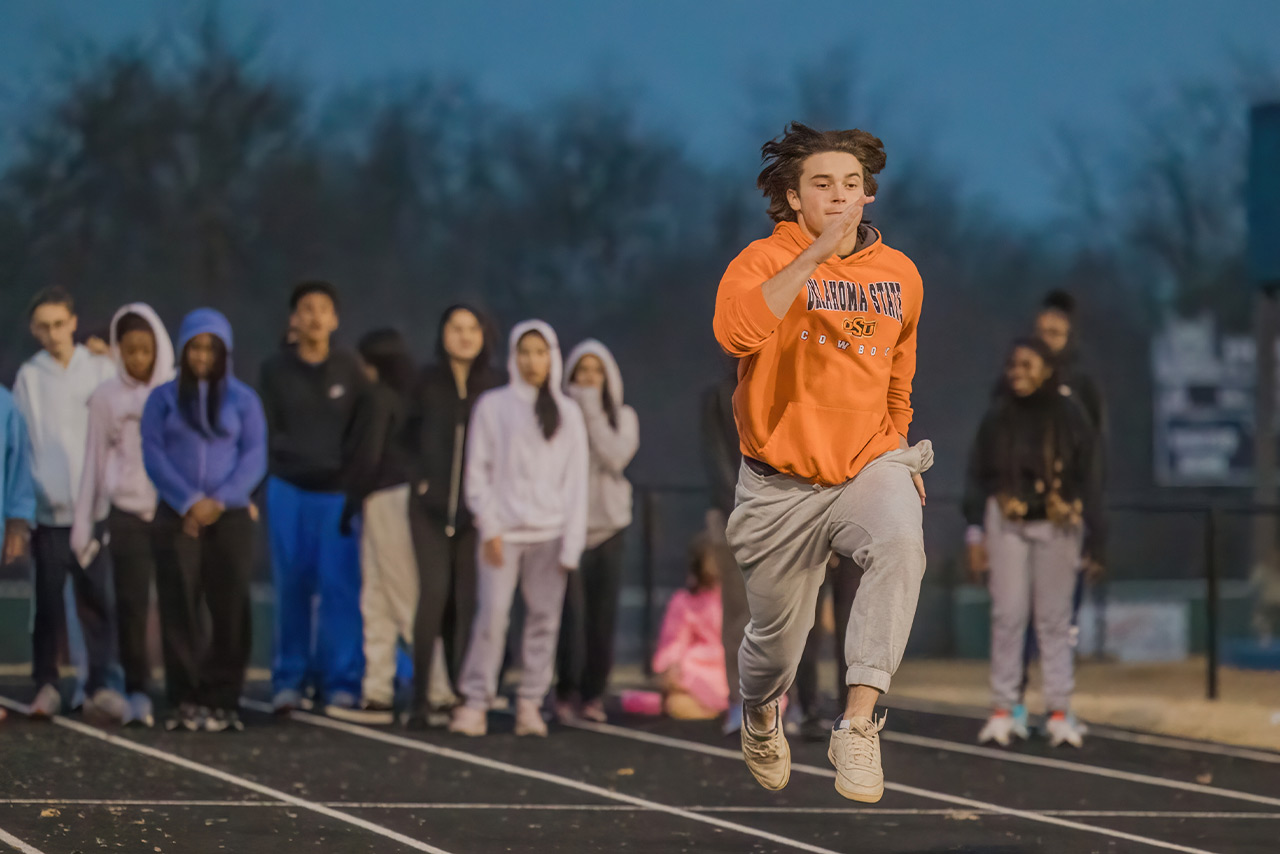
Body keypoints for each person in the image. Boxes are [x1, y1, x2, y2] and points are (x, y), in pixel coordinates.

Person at [712, 123, 932, 803]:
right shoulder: (761, 259)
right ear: (792, 198)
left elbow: (899, 381)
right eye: (821, 185)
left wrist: (896, 447)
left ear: (868, 194)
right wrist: (813, 259)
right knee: (775, 647)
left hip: (866, 464)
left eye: (850, 184)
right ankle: (758, 712)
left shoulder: (901, 275)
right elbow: (736, 332)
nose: (839, 197)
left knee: (902, 544)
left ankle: (859, 724)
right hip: (780, 483)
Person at [449, 320, 589, 738]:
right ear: (513, 356)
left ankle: (530, 701)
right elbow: (478, 471)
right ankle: (476, 700)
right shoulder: (493, 406)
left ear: (552, 357)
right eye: (525, 352)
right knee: (492, 618)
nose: (533, 361)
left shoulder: (568, 413)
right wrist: (489, 525)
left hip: (550, 534)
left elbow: (577, 482)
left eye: (540, 352)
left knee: (544, 622)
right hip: (503, 535)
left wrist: (571, 545)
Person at [964, 337, 1103, 749]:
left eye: (1027, 365)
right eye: (1013, 366)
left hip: (1058, 523)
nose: (1018, 373)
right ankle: (1005, 708)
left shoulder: (1069, 414)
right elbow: (977, 474)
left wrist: (1097, 534)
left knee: (1055, 620)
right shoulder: (998, 415)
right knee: (1008, 615)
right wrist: (974, 530)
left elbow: (1090, 473)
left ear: (1046, 368)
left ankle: (1059, 709)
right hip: (1006, 521)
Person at [141, 308, 267, 732]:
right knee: (179, 604)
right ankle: (184, 697)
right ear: (183, 349)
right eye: (195, 347)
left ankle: (224, 697)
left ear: (224, 353)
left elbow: (254, 456)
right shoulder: (161, 399)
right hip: (177, 514)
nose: (202, 356)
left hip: (229, 515)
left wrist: (219, 500)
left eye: (211, 348)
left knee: (230, 605)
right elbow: (154, 454)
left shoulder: (244, 400)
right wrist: (188, 501)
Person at [13, 287, 127, 722]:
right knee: (47, 603)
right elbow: (25, 445)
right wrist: (27, 508)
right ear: (33, 330)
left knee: (96, 598)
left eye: (59, 323)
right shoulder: (30, 375)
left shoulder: (98, 369)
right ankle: (46, 684)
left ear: (73, 322)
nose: (52, 333)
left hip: (93, 511)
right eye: (43, 326)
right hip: (47, 514)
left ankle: (98, 685)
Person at [259, 281, 369, 715]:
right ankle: (290, 679)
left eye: (324, 309)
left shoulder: (350, 368)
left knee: (340, 589)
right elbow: (267, 428)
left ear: (335, 319)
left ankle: (340, 680)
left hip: (337, 495)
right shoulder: (274, 370)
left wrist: (351, 477)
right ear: (294, 319)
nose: (315, 317)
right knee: (292, 587)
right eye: (306, 309)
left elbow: (364, 427)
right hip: (289, 489)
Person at [71, 304, 175, 728]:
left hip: (171, 510)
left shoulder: (174, 391)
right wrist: (84, 523)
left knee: (179, 602)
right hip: (126, 513)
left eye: (145, 350)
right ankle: (137, 691)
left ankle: (185, 689)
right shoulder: (106, 398)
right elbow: (94, 462)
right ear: (118, 351)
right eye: (129, 351)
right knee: (131, 605)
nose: (138, 359)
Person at [404, 305, 504, 728]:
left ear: (484, 335)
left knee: (467, 603)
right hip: (428, 510)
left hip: (475, 516)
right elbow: (401, 436)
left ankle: (463, 696)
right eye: (455, 328)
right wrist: (421, 481)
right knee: (432, 597)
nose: (464, 336)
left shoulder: (496, 386)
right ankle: (419, 698)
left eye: (472, 329)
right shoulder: (424, 381)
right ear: (443, 333)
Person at [554, 339, 639, 724]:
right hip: (566, 527)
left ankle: (592, 694)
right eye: (581, 372)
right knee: (568, 617)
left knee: (602, 619)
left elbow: (615, 456)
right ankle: (563, 691)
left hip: (609, 528)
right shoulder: (554, 416)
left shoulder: (624, 417)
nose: (588, 380)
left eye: (596, 372)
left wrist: (589, 409)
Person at [337, 328, 419, 724]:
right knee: (378, 599)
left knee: (402, 597)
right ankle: (377, 693)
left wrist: (349, 503)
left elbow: (367, 457)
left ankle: (438, 690)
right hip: (390, 499)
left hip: (384, 499)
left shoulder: (376, 397)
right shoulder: (411, 396)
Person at [701, 360, 751, 736]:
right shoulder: (718, 395)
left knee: (792, 614)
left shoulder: (791, 382)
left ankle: (794, 701)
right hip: (733, 515)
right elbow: (716, 461)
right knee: (737, 614)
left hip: (785, 516)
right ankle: (739, 702)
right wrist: (740, 509)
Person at [652, 532, 730, 721]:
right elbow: (674, 639)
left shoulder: (738, 599)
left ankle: (716, 705)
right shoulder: (684, 601)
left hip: (731, 666)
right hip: (699, 666)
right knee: (683, 676)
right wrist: (671, 665)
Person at [789, 555, 862, 741]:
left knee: (852, 626)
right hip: (815, 536)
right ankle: (807, 710)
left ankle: (854, 711)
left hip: (849, 543)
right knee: (808, 627)